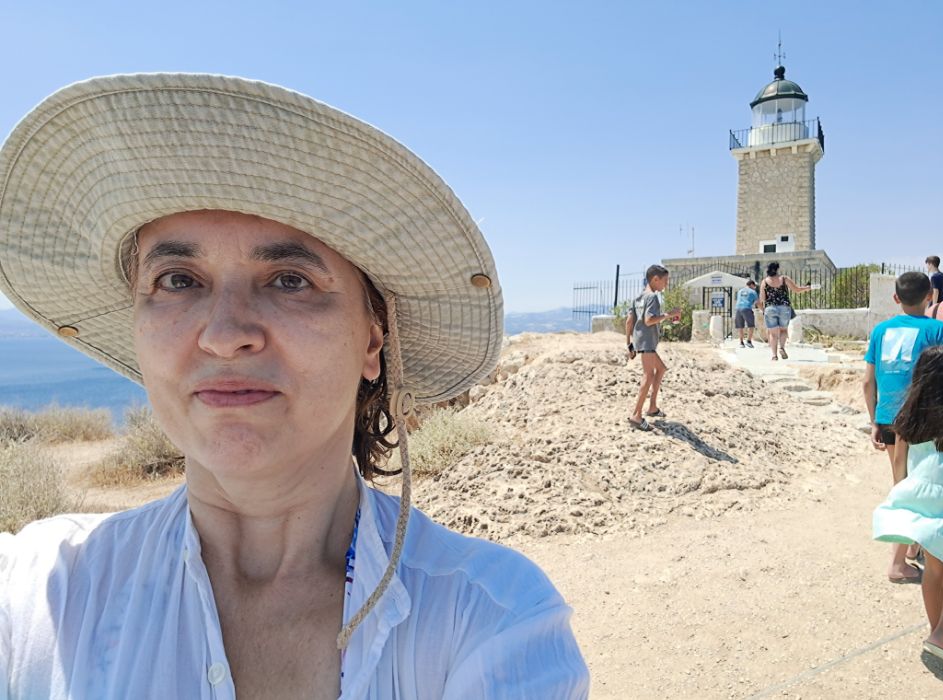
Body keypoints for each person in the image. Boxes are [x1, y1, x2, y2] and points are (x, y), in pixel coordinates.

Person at [0, 74, 589, 698]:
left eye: (289, 280)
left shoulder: (490, 623)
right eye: (177, 280)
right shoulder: (38, 595)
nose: (225, 335)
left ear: (371, 339)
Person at [863, 271, 943, 585]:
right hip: (927, 418)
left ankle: (912, 547)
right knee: (927, 483)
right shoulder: (939, 329)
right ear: (930, 297)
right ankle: (901, 560)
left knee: (902, 482)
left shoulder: (881, 330)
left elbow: (867, 381)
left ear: (896, 298)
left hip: (889, 417)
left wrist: (874, 420)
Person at [872, 346, 943, 661]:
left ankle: (939, 633)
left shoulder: (907, 415)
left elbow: (899, 464)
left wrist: (903, 497)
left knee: (934, 570)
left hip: (920, 499)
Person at [625, 264, 681, 431]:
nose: (666, 284)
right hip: (647, 341)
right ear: (655, 279)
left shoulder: (638, 298)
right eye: (665, 281)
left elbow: (629, 321)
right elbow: (649, 320)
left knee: (661, 368)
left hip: (641, 340)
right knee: (648, 375)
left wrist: (629, 343)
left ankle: (652, 407)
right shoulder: (652, 298)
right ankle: (636, 415)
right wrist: (670, 314)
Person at [760, 262, 811, 361]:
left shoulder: (764, 281)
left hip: (770, 308)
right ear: (777, 269)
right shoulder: (784, 279)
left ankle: (774, 356)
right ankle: (782, 348)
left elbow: (762, 298)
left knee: (773, 334)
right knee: (783, 330)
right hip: (784, 307)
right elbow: (796, 290)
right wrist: (807, 288)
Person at [734, 278, 759, 348]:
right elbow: (758, 302)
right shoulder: (753, 292)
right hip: (747, 308)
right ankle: (749, 341)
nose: (755, 288)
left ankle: (741, 343)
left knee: (740, 327)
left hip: (738, 308)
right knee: (751, 326)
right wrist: (763, 310)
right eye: (754, 286)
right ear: (751, 285)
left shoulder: (740, 291)